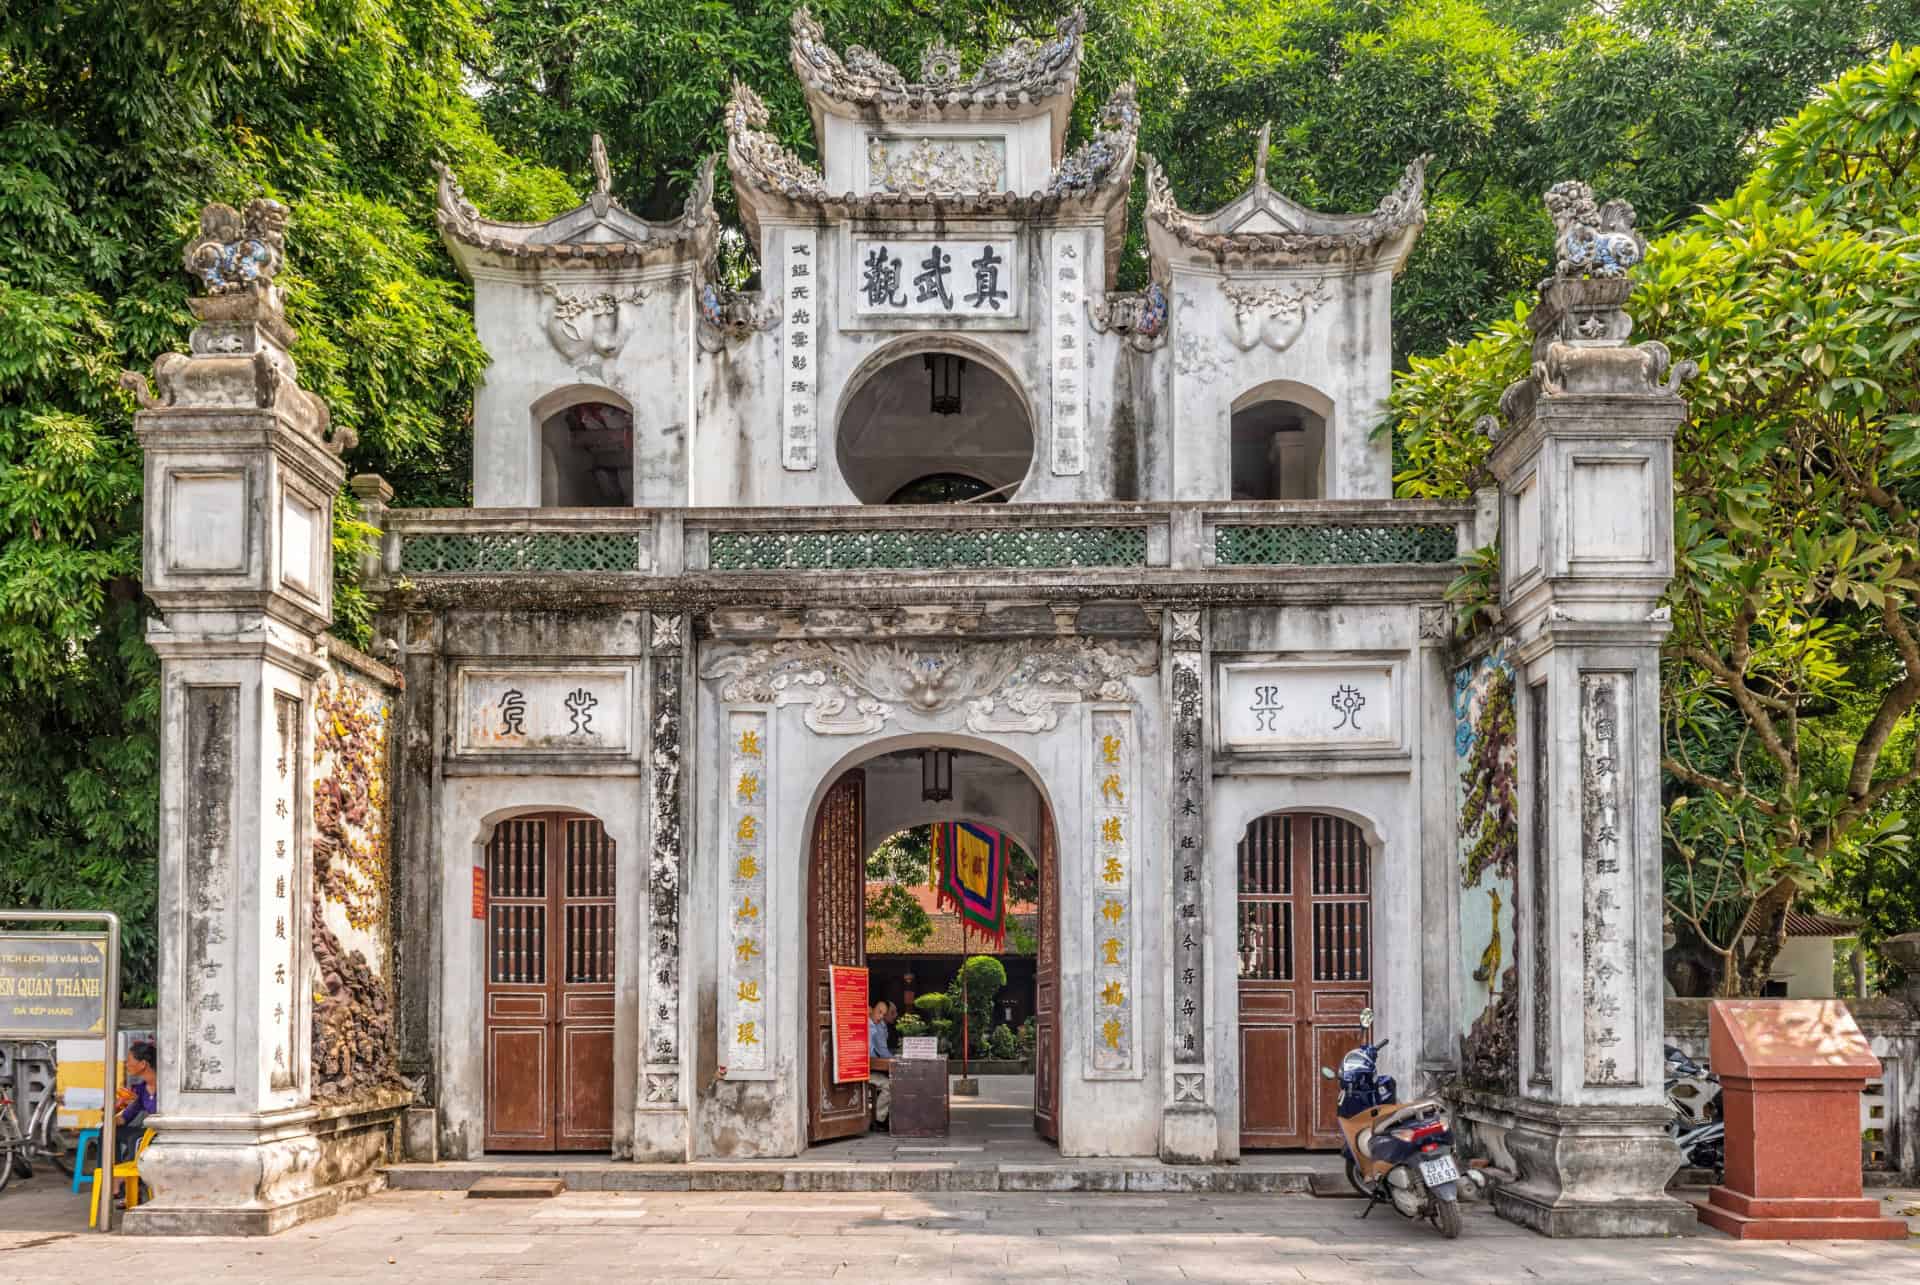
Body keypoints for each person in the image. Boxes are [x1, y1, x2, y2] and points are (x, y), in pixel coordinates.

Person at [112, 1040, 157, 1203]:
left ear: (143, 1064)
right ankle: (112, 1175)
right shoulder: (140, 1089)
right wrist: (113, 1109)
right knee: (108, 1131)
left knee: (136, 1139)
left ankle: (131, 1187)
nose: (126, 1064)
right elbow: (124, 1119)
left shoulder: (165, 1088)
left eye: (130, 1060)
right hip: (146, 1134)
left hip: (161, 1134)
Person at [867, 1000, 893, 1130]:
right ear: (870, 1009)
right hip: (859, 1071)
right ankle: (877, 1119)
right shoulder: (867, 1025)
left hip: (869, 1068)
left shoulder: (875, 1025)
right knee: (889, 1085)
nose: (881, 1016)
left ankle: (881, 1116)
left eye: (884, 1014)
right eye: (879, 1012)